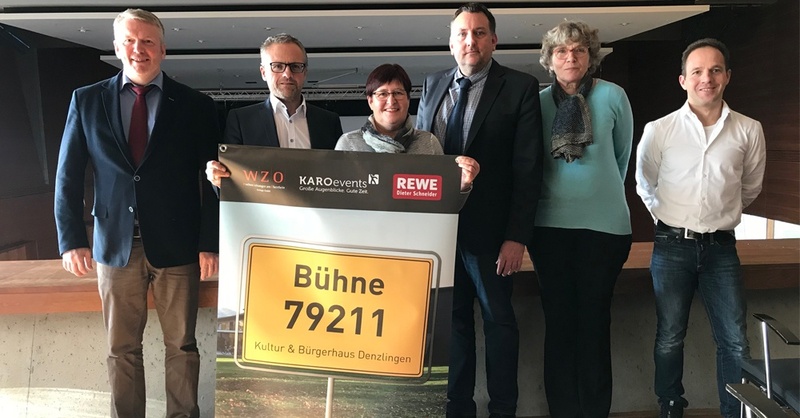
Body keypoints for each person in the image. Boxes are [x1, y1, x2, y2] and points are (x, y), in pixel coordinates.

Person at [54, 8, 220, 418]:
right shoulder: (86, 100)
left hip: (178, 246)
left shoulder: (197, 105)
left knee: (182, 346)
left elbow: (215, 181)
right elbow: (68, 175)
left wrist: (210, 243)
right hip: (114, 245)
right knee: (121, 348)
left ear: (163, 48)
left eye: (147, 41)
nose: (138, 49)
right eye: (129, 40)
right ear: (116, 47)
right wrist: (71, 240)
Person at [415, 3, 543, 417]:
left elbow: (528, 168)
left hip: (492, 237)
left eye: (479, 33)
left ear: (493, 40)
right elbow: (421, 155)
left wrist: (516, 237)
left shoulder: (520, 86)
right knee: (452, 327)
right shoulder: (433, 84)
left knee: (499, 322)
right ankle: (458, 409)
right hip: (441, 234)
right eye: (462, 34)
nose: (470, 40)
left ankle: (503, 409)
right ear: (451, 43)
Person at [635, 38, 766, 418]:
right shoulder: (660, 130)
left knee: (735, 341)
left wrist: (719, 214)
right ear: (683, 80)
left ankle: (734, 411)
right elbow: (645, 183)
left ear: (727, 76)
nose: (706, 78)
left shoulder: (749, 130)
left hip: (722, 249)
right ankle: (670, 407)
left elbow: (750, 187)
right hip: (671, 247)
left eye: (715, 70)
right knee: (669, 337)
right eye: (697, 71)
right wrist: (668, 218)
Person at [528, 21, 634, 418]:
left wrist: (596, 195)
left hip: (605, 230)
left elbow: (621, 157)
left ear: (591, 57)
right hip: (549, 229)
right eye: (561, 51)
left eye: (578, 50)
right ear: (549, 60)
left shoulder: (613, 95)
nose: (570, 57)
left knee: (594, 323)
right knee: (558, 326)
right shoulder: (537, 102)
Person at [206, 33, 342, 187]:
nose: (287, 74)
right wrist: (217, 178)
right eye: (277, 66)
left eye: (295, 66)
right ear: (263, 72)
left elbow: (341, 177)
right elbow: (229, 182)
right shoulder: (241, 121)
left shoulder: (329, 122)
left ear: (305, 72)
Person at [335, 63, 480, 191]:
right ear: (370, 101)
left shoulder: (428, 143)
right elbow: (337, 198)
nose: (391, 101)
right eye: (382, 94)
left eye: (398, 93)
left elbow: (443, 197)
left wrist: (461, 185)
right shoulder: (348, 144)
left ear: (408, 99)